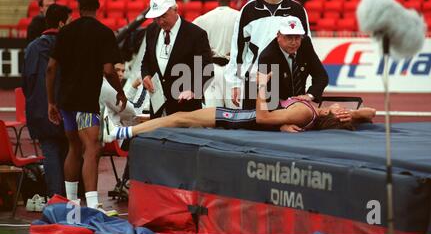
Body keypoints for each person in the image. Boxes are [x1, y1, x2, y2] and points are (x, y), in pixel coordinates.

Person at [111, 70, 376, 140]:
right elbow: (371, 112)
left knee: (180, 117)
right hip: (242, 116)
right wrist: (351, 114)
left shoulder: (305, 111)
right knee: (179, 117)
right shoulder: (313, 111)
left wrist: (261, 87)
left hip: (241, 117)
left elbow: (262, 117)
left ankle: (123, 132)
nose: (340, 106)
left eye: (341, 112)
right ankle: (125, 128)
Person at [46, 0, 126, 214]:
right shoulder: (104, 33)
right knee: (92, 148)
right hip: (86, 101)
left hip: (66, 101)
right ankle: (91, 205)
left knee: (73, 147)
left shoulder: (65, 32)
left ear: (79, 7)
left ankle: (71, 204)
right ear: (98, 7)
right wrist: (120, 91)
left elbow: (51, 68)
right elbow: (109, 70)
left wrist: (51, 101)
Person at [224, 0, 313, 110]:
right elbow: (238, 50)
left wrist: (307, 84)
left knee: (287, 127)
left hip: (287, 79)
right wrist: (234, 83)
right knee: (251, 128)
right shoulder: (248, 10)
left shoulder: (297, 10)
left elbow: (307, 48)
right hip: (254, 79)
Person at [22, 4, 72, 198]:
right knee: (68, 150)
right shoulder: (69, 46)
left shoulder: (32, 48)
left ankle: (55, 196)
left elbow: (26, 82)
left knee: (50, 150)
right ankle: (67, 195)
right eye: (68, 22)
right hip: (67, 108)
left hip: (40, 111)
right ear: (61, 23)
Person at [141, 0, 213, 118]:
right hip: (158, 106)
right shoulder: (152, 30)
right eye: (156, 18)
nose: (160, 21)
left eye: (163, 16)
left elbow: (206, 68)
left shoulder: (196, 34)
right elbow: (146, 60)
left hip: (185, 107)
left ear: (175, 10)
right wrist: (145, 75)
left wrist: (193, 90)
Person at [258, 16, 328, 110]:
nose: (294, 42)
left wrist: (310, 95)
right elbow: (269, 98)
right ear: (278, 36)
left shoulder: (305, 44)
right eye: (289, 37)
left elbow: (321, 75)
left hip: (302, 104)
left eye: (297, 37)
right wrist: (284, 122)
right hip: (278, 106)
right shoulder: (268, 57)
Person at [193, 0, 240, 107]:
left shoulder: (203, 19)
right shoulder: (240, 17)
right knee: (236, 114)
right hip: (233, 69)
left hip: (211, 68)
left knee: (212, 115)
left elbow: (190, 40)